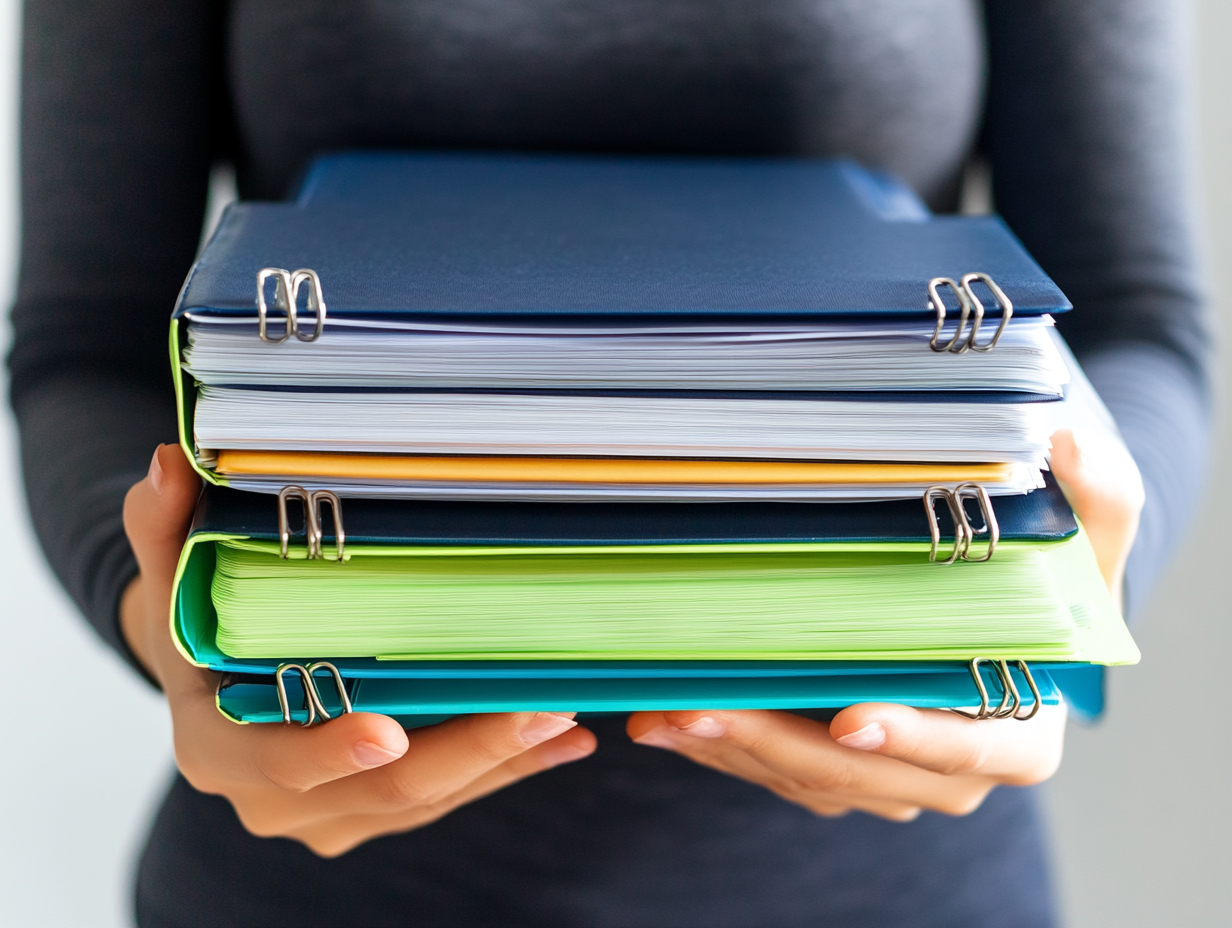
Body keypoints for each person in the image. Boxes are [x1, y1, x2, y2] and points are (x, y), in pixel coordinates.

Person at [10, 1, 1208, 925]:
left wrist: (1064, 599)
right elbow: (89, 335)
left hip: (890, 881)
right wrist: (166, 627)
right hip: (311, 875)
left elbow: (1134, 311)